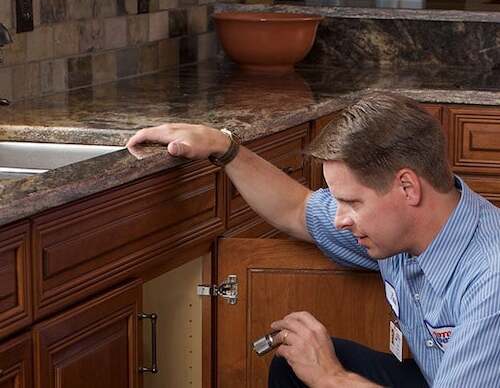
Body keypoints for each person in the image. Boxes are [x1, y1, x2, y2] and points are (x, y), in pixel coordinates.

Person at [126, 92, 500, 388]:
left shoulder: (491, 278)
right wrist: (224, 148)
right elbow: (296, 208)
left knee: (322, 371)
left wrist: (331, 378)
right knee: (295, 365)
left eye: (352, 202)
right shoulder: (406, 229)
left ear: (407, 187)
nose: (339, 220)